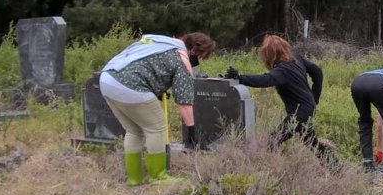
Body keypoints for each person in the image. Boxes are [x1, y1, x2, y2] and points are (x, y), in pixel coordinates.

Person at [100, 32, 216, 186]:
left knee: (134, 130)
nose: (198, 61)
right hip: (131, 86)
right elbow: (184, 102)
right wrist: (192, 131)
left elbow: (147, 66)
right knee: (157, 127)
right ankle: (158, 176)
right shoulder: (181, 59)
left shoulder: (161, 44)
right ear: (194, 51)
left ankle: (135, 179)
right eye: (201, 57)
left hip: (107, 80)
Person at [223, 35, 332, 159]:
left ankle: (273, 167)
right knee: (311, 142)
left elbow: (265, 80)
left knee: (274, 140)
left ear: (268, 55)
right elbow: (317, 71)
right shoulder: (296, 59)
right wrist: (314, 98)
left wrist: (240, 77)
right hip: (307, 109)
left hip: (300, 112)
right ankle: (336, 168)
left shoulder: (282, 71)